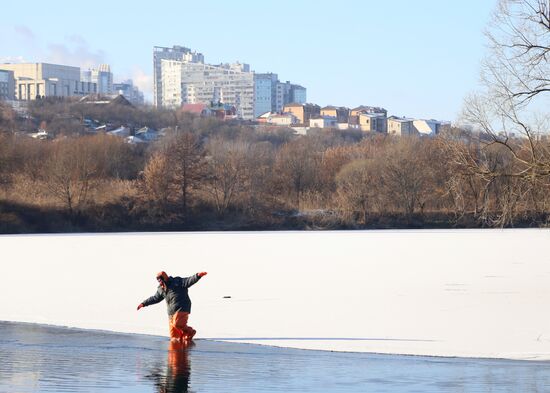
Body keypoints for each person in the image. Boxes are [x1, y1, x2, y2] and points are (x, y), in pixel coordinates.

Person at [137, 271, 207, 342]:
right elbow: (155, 298)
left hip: (182, 307)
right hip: (171, 312)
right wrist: (143, 303)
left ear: (164, 278)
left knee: (177, 323)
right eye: (158, 281)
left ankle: (190, 331)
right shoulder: (161, 289)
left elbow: (189, 280)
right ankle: (182, 343)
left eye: (160, 280)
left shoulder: (177, 282)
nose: (159, 282)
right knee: (174, 337)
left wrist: (198, 275)